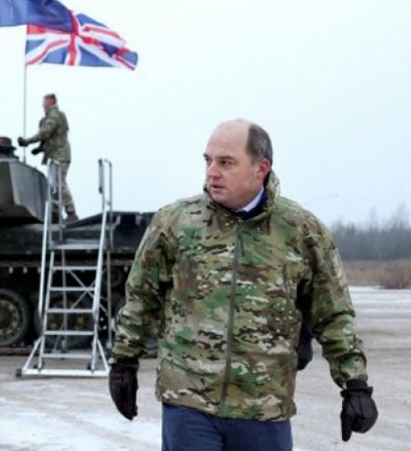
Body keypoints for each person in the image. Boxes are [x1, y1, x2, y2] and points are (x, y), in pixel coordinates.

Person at [108, 119, 378, 451]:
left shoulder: (301, 231)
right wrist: (124, 361)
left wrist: (355, 384)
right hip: (189, 403)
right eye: (208, 160)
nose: (212, 172)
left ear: (260, 168)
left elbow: (333, 314)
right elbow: (141, 298)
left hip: (263, 407)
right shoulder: (175, 223)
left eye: (226, 162)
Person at [18, 93, 78, 222]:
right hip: (55, 155)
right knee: (54, 186)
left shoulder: (54, 115)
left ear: (51, 102)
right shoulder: (54, 116)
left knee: (59, 183)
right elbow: (52, 137)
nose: (42, 105)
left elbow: (45, 133)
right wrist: (40, 149)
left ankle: (71, 212)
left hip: (59, 155)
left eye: (44, 102)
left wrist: (27, 141)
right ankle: (56, 214)